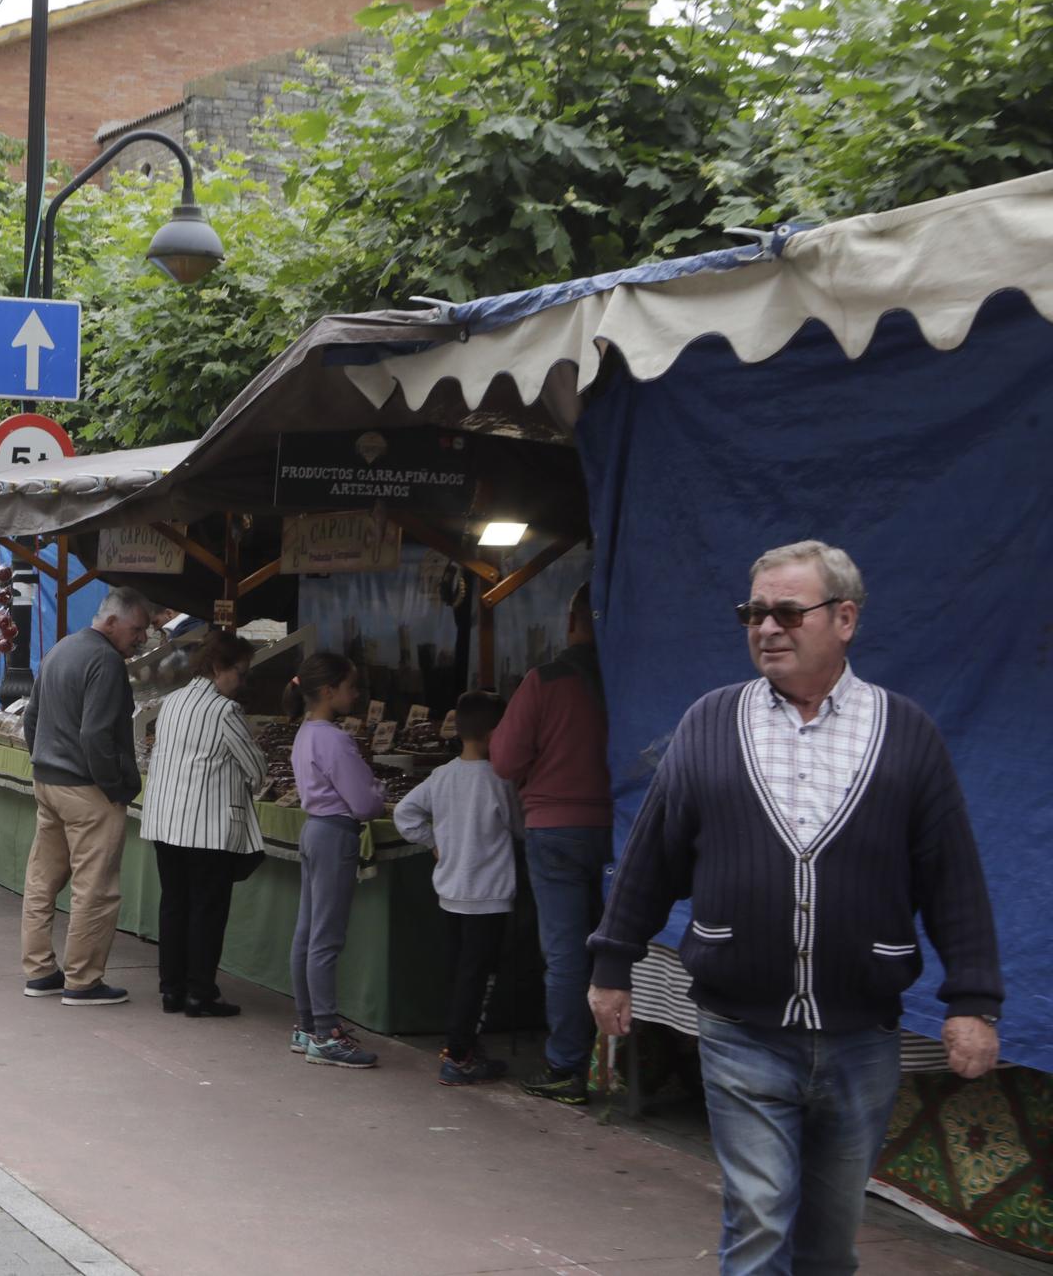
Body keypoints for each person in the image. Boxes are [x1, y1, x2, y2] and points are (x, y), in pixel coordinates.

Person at [588, 541, 1002, 1274]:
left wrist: (972, 999)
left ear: (844, 618)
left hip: (861, 1034)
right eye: (754, 612)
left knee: (828, 1238)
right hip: (740, 1026)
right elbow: (652, 853)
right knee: (759, 1218)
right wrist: (613, 961)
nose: (766, 627)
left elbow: (952, 877)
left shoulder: (905, 733)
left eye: (786, 611)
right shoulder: (711, 722)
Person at [491, 582, 613, 1106]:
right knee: (619, 949)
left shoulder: (545, 681)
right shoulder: (629, 679)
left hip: (555, 830)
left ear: (571, 620)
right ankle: (617, 1066)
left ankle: (566, 1066)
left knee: (565, 953)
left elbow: (504, 761)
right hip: (621, 828)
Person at [20, 585, 152, 1007]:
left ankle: (40, 970)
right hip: (87, 788)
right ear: (111, 622)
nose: (142, 638)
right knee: (95, 888)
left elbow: (32, 717)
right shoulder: (106, 661)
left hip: (50, 781)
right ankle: (82, 979)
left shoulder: (61, 648)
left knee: (43, 881)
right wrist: (116, 787)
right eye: (137, 629)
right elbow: (96, 734)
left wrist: (42, 760)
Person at [394, 690, 523, 1086]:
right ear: (495, 734)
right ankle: (460, 1055)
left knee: (459, 974)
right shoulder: (501, 781)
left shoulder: (442, 776)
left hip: (451, 893)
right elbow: (521, 828)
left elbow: (404, 813)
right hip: (489, 896)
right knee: (478, 976)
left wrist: (433, 843)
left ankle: (459, 1043)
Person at [140, 631, 267, 1018]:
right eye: (240, 673)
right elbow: (256, 769)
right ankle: (200, 992)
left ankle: (171, 989)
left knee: (174, 906)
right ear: (217, 668)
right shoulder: (224, 711)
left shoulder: (172, 702)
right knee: (207, 911)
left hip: (165, 822)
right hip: (207, 828)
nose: (242, 682)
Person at [286, 652, 384, 1068]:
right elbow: (364, 803)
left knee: (308, 933)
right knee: (325, 937)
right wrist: (377, 790)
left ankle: (308, 1025)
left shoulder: (307, 732)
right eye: (350, 686)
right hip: (335, 834)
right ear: (329, 691)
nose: (355, 694)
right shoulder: (334, 738)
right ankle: (325, 1032)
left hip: (314, 829)